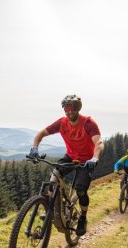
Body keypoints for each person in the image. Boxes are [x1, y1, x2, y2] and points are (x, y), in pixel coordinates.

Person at [29, 95, 104, 236]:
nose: (69, 111)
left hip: (86, 161)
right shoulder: (62, 122)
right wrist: (34, 147)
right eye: (66, 109)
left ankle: (82, 217)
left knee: (81, 190)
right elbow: (42, 133)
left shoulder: (88, 123)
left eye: (72, 108)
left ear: (78, 109)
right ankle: (51, 209)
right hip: (70, 157)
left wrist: (95, 158)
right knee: (53, 178)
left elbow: (99, 142)